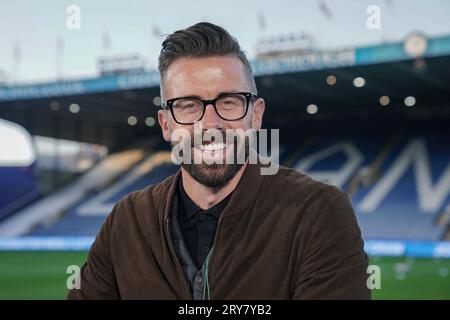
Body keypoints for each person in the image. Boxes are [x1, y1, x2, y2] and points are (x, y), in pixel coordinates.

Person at [67, 22, 370, 300]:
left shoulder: (319, 213)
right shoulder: (126, 220)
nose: (210, 124)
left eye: (228, 102)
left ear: (256, 114)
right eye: (188, 106)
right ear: (166, 124)